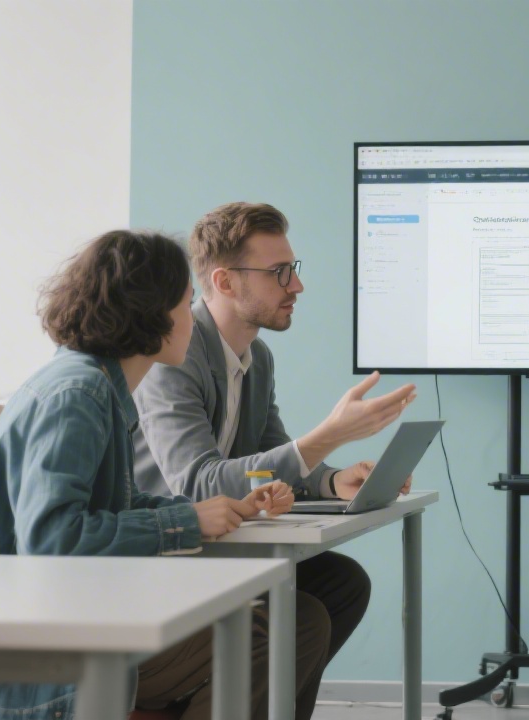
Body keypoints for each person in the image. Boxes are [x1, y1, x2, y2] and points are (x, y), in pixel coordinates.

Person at [0, 230, 295, 720]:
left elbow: (107, 507)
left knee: (262, 628)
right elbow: (53, 538)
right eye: (186, 305)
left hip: (46, 615)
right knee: (254, 643)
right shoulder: (79, 395)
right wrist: (185, 523)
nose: (193, 325)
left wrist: (194, 512)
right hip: (26, 647)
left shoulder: (97, 387)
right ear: (149, 312)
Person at [132, 201, 416, 719]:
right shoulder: (174, 355)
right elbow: (197, 484)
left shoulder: (257, 358)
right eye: (278, 273)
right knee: (300, 615)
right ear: (224, 280)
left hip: (213, 549)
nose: (296, 286)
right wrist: (327, 437)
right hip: (162, 558)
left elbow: (270, 462)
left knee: (341, 583)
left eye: (293, 269)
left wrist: (334, 482)